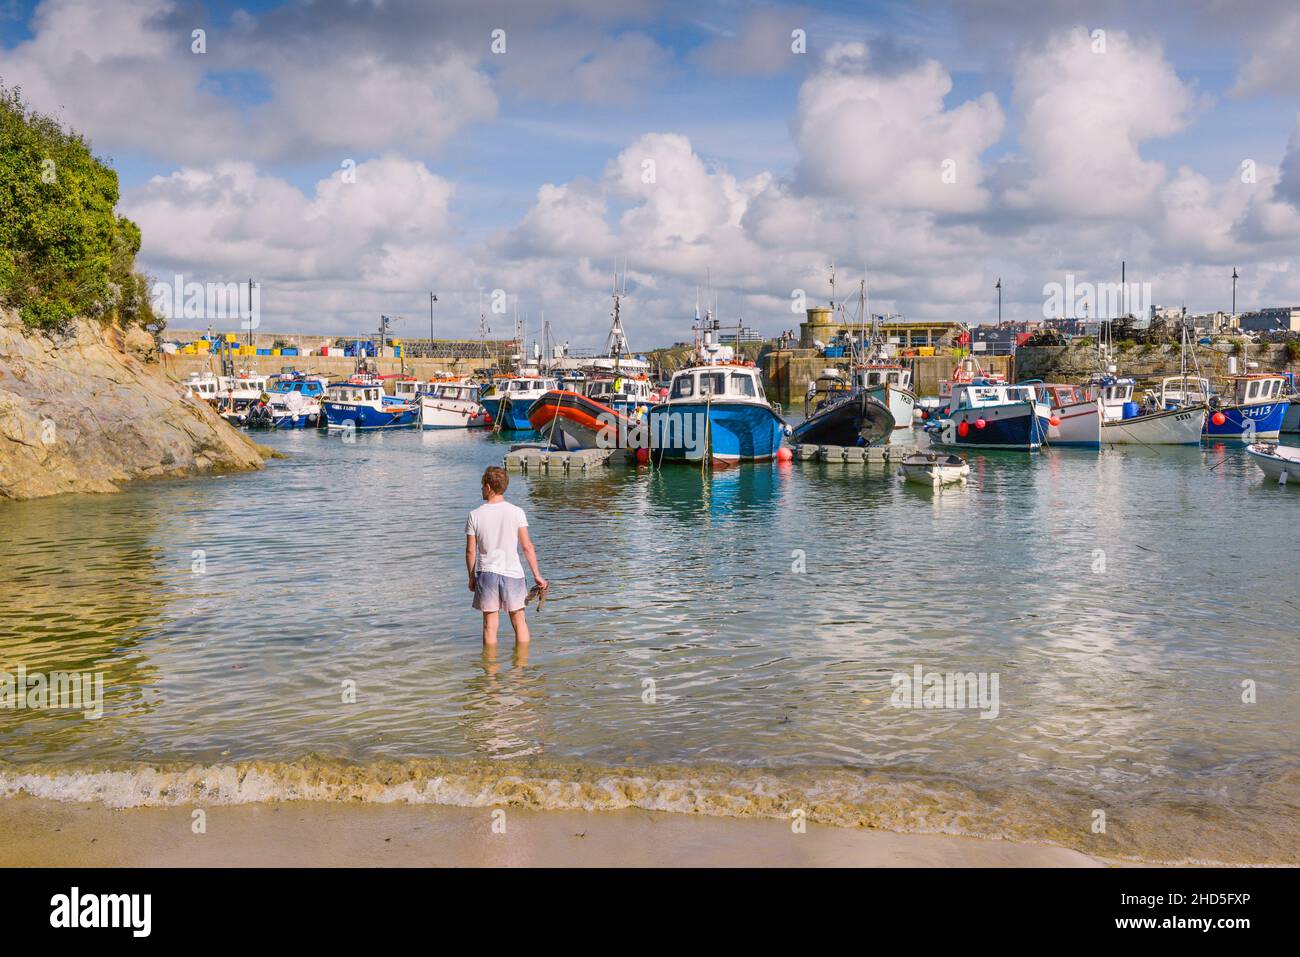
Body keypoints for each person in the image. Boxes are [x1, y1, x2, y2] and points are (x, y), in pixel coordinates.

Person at [465, 466, 546, 646]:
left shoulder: (474, 515)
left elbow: (471, 551)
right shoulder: (516, 512)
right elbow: (527, 546)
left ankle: (491, 671)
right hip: (512, 573)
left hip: (486, 573)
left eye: (482, 486)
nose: (481, 490)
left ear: (488, 487)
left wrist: (471, 577)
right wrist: (537, 575)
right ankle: (520, 669)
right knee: (519, 622)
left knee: (489, 626)